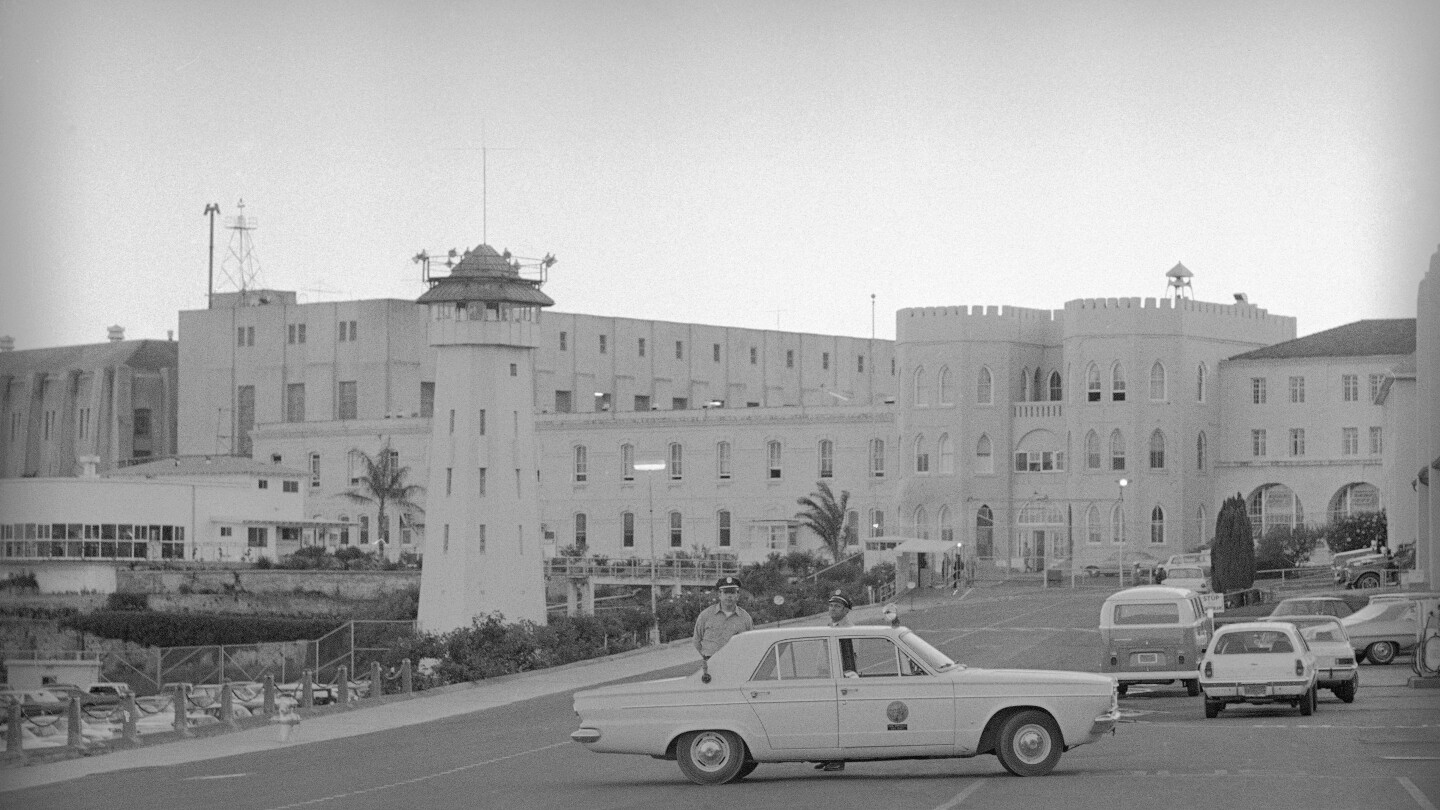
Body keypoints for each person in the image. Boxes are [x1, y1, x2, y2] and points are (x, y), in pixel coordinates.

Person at [693, 576, 754, 660]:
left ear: (737, 595)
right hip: (712, 663)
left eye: (732, 592)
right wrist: (707, 658)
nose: (729, 596)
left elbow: (750, 642)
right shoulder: (705, 615)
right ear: (719, 595)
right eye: (725, 592)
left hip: (736, 662)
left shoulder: (745, 618)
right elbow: (697, 640)